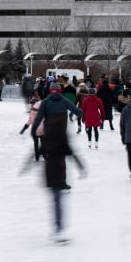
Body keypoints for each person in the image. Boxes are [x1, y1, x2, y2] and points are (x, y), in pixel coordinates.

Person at [31, 82, 84, 242]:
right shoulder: (63, 100)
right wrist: (77, 115)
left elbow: (39, 117)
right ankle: (63, 181)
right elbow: (78, 111)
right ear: (59, 91)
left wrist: (34, 130)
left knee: (52, 157)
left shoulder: (46, 102)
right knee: (62, 158)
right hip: (62, 133)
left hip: (49, 134)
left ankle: (55, 179)